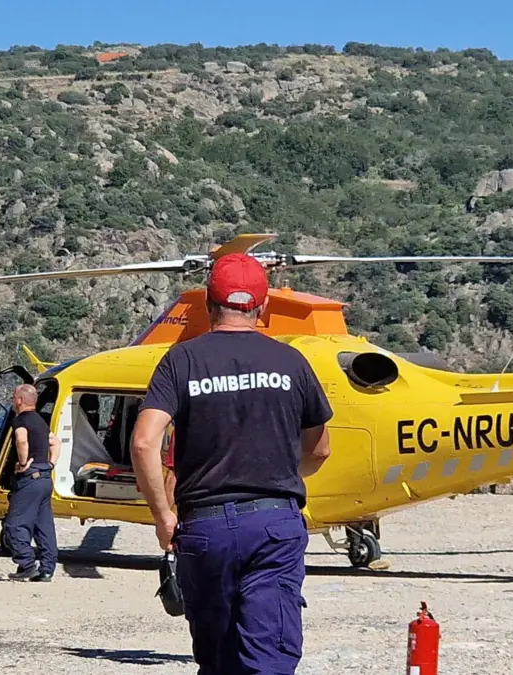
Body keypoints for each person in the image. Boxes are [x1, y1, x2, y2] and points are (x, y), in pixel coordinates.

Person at [130, 252, 333, 674]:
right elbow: (319, 449)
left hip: (204, 529)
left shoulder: (181, 360)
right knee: (269, 658)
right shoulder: (290, 361)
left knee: (217, 659)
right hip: (273, 525)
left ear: (208, 304)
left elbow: (144, 441)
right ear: (264, 307)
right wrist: (278, 476)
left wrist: (162, 515)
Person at [3, 384, 60, 582]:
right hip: (45, 478)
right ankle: (47, 568)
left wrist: (22, 463)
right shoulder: (41, 421)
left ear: (19, 400)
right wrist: (51, 463)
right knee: (43, 525)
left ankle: (27, 564)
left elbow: (21, 440)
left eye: (13, 397)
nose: (12, 401)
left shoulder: (20, 420)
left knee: (14, 524)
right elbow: (55, 442)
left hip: (30, 479)